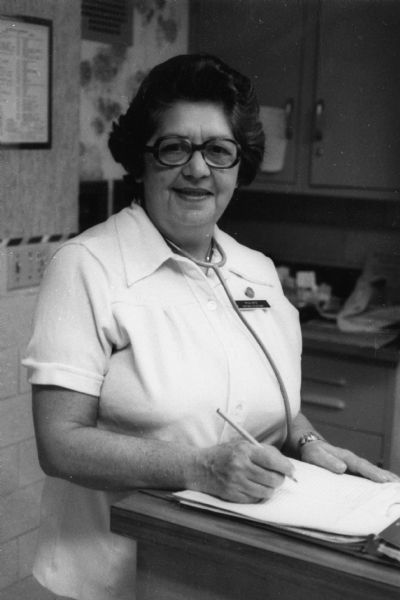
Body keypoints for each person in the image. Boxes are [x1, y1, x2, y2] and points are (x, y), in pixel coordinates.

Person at [23, 53, 398, 600]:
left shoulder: (258, 272)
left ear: (238, 168)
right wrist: (201, 468)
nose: (198, 169)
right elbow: (59, 445)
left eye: (219, 151)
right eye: (175, 147)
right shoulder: (87, 266)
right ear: (142, 160)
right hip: (109, 575)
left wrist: (309, 440)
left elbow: (266, 401)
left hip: (231, 567)